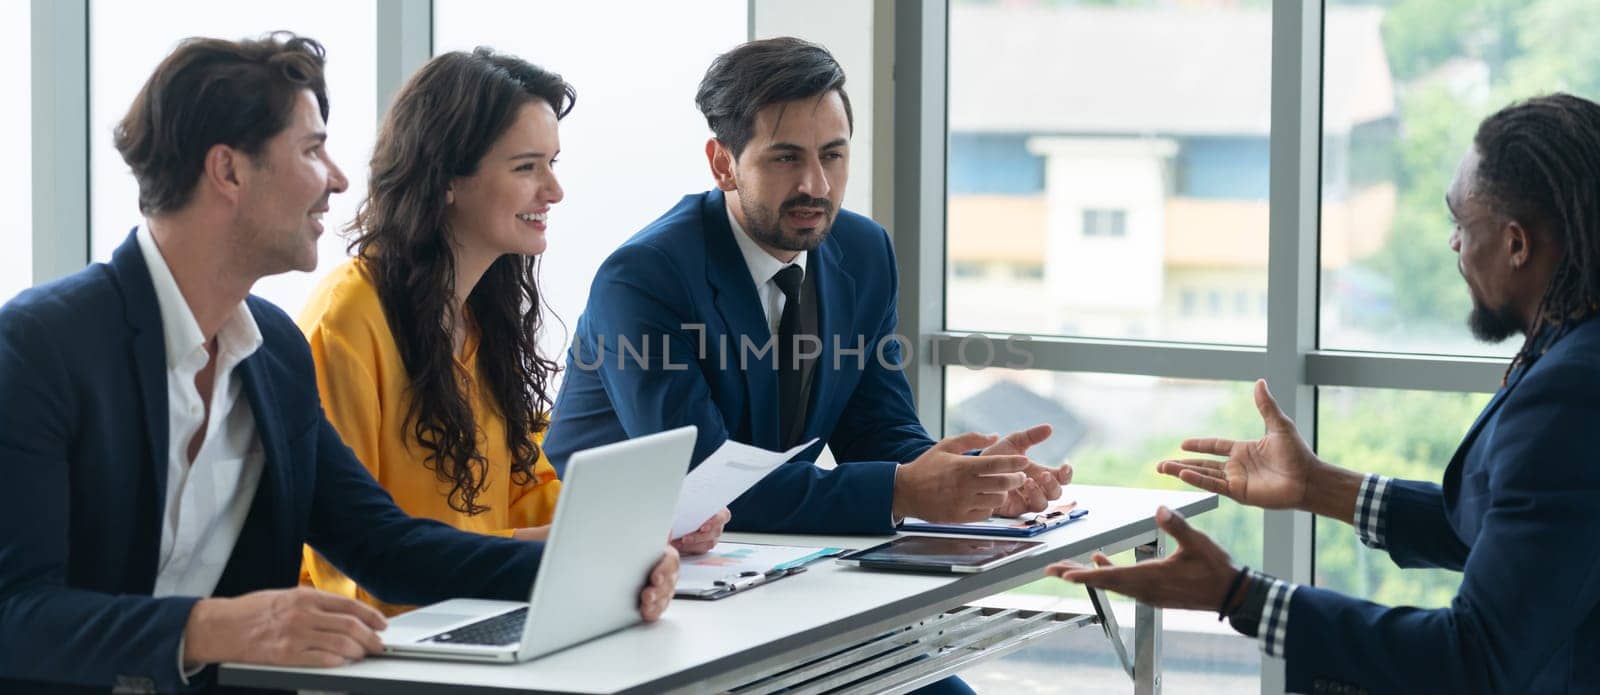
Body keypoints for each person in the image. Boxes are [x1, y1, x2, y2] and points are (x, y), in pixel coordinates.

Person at [0, 33, 677, 694]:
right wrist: (211, 627)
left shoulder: (271, 354)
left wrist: (600, 567)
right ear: (229, 170)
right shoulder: (41, 345)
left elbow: (386, 546)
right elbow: (14, 611)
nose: (340, 179)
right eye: (312, 149)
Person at [1049, 94, 1600, 694]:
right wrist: (1319, 486)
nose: (1454, 247)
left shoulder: (1569, 395)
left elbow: (1474, 657)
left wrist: (1241, 595)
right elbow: (1516, 537)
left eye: (1461, 225)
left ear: (1518, 243)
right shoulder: (1572, 353)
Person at [545, 37, 1072, 540]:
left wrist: (979, 478)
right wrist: (904, 491)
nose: (816, 185)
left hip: (758, 553)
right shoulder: (644, 278)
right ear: (723, 163)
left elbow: (877, 431)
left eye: (833, 155)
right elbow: (700, 480)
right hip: (614, 553)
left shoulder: (863, 253)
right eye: (786, 157)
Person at [297, 48, 724, 615]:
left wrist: (642, 534)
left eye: (552, 163)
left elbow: (528, 504)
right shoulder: (347, 319)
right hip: (389, 642)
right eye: (526, 167)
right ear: (447, 178)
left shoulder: (479, 317)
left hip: (482, 611)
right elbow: (354, 562)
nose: (554, 190)